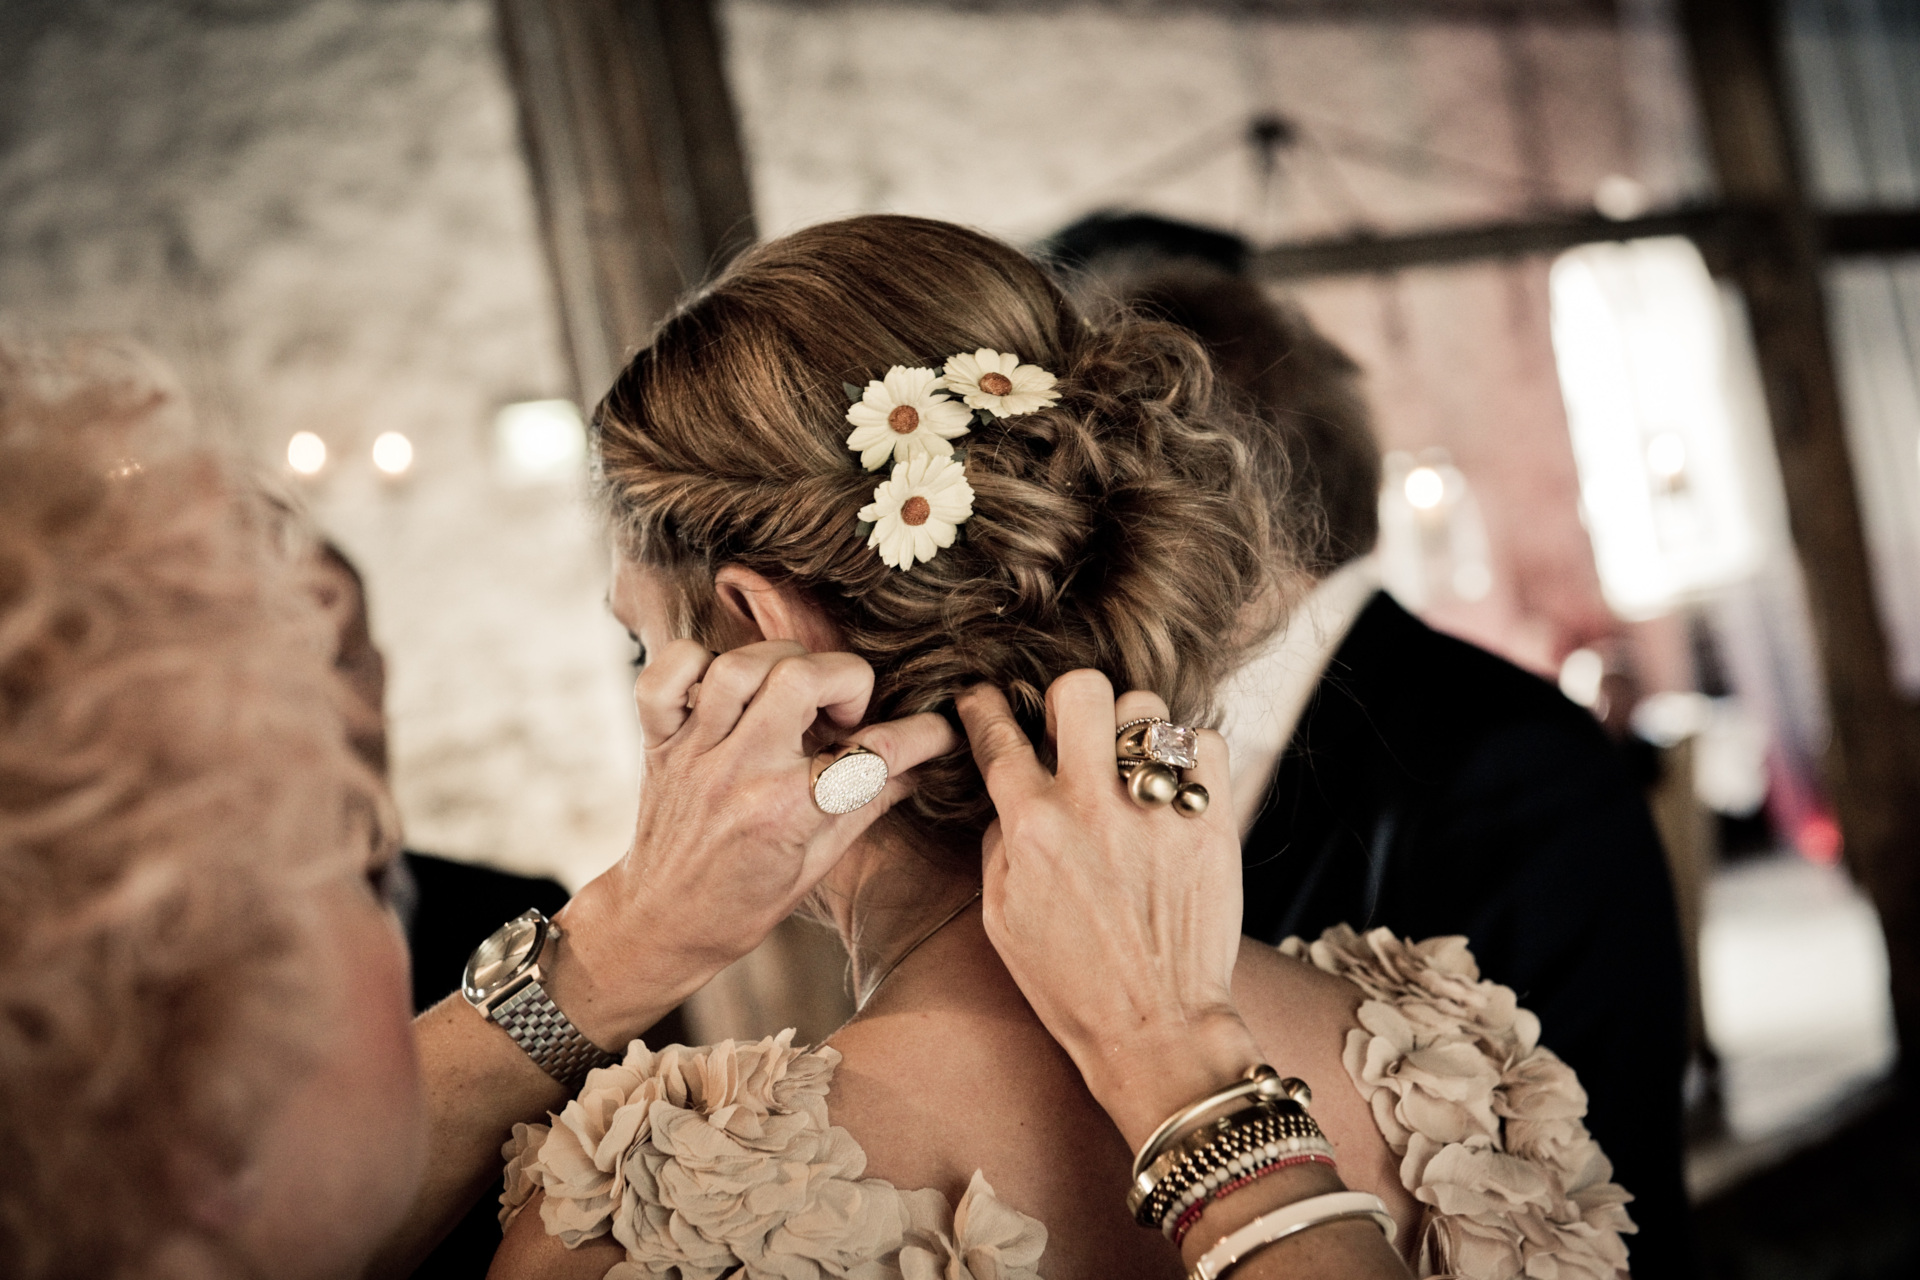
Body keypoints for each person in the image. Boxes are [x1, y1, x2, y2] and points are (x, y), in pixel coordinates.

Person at [486, 215, 1633, 1280]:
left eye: (642, 638)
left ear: (762, 627)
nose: (648, 695)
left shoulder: (655, 1222)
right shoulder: (1458, 1072)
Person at [1050, 212, 1691, 1276]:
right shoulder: (1171, 730)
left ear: (1211, 505)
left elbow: (1562, 1193)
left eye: (1085, 500)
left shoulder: (1506, 761)